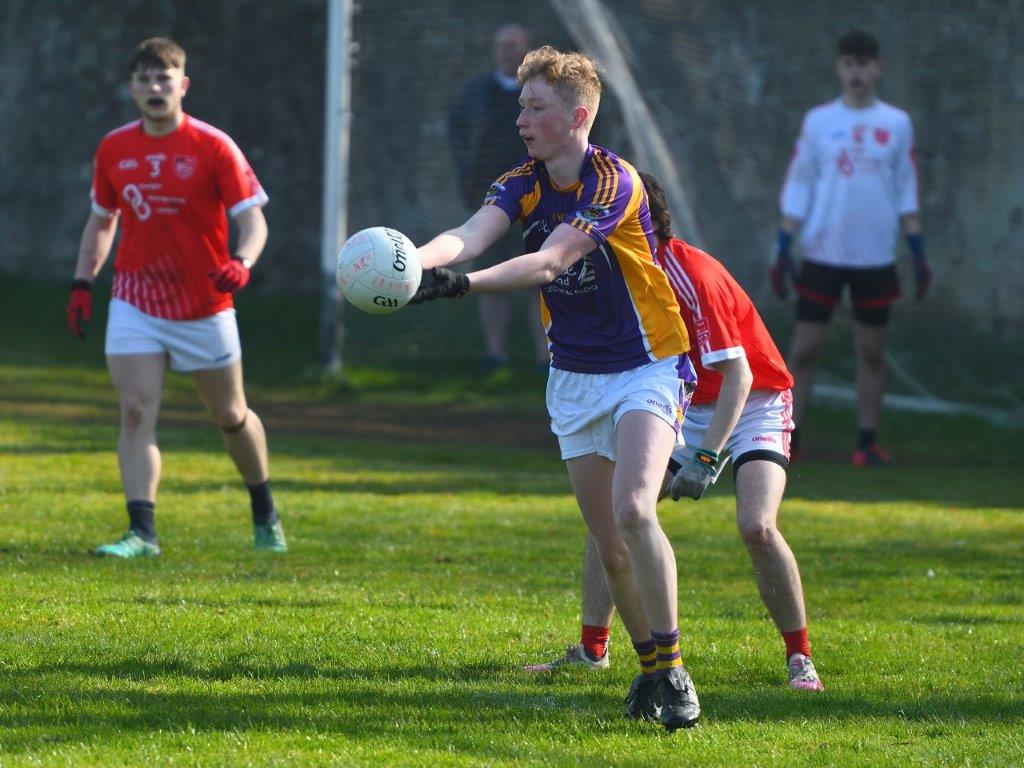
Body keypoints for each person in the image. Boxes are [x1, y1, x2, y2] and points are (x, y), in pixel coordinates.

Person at [411, 46, 701, 730]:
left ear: (576, 117)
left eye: (535, 107)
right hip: (573, 376)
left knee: (635, 508)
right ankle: (651, 670)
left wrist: (460, 286)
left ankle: (678, 672)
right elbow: (469, 233)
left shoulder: (613, 182)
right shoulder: (522, 181)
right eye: (520, 105)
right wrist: (409, 263)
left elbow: (550, 261)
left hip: (647, 365)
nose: (521, 120)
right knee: (609, 545)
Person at [524, 172, 825, 692]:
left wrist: (706, 459)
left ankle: (799, 657)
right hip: (680, 401)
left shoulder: (691, 272)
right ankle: (592, 649)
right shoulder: (616, 274)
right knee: (618, 514)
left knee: (757, 525)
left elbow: (740, 375)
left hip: (751, 401)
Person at [66, 37, 286, 557]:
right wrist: (81, 283)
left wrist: (243, 262)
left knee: (230, 415)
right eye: (144, 79)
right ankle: (142, 532)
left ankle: (264, 509)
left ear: (182, 85)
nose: (154, 87)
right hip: (135, 299)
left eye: (164, 77)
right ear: (131, 89)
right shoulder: (114, 148)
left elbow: (252, 219)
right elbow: (102, 223)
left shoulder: (213, 146)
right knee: (136, 411)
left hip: (204, 304)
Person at [770, 29, 931, 466]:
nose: (856, 71)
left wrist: (916, 247)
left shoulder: (896, 123)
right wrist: (784, 244)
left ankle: (866, 443)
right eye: (848, 63)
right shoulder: (819, 121)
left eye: (864, 63)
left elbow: (905, 187)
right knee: (803, 351)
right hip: (822, 253)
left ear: (877, 68)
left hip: (875, 257)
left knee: (871, 351)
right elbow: (800, 182)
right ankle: (789, 439)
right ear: (839, 68)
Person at [448, 23, 550, 371]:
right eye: (501, 45)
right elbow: (458, 133)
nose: (505, 52)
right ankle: (496, 354)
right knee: (492, 277)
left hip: (540, 200)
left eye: (513, 46)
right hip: (494, 202)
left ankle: (545, 356)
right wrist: (470, 180)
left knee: (539, 278)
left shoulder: (545, 94)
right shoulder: (478, 91)